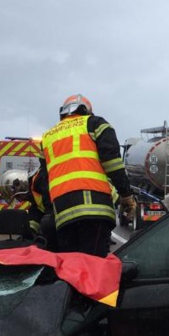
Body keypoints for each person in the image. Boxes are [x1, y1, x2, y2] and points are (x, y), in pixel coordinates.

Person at [41, 94, 136, 256]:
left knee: (71, 268)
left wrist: (49, 213)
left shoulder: (47, 137)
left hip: (63, 214)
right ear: (87, 111)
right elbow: (112, 163)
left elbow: (43, 180)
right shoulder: (95, 124)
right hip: (94, 210)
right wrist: (126, 195)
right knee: (93, 267)